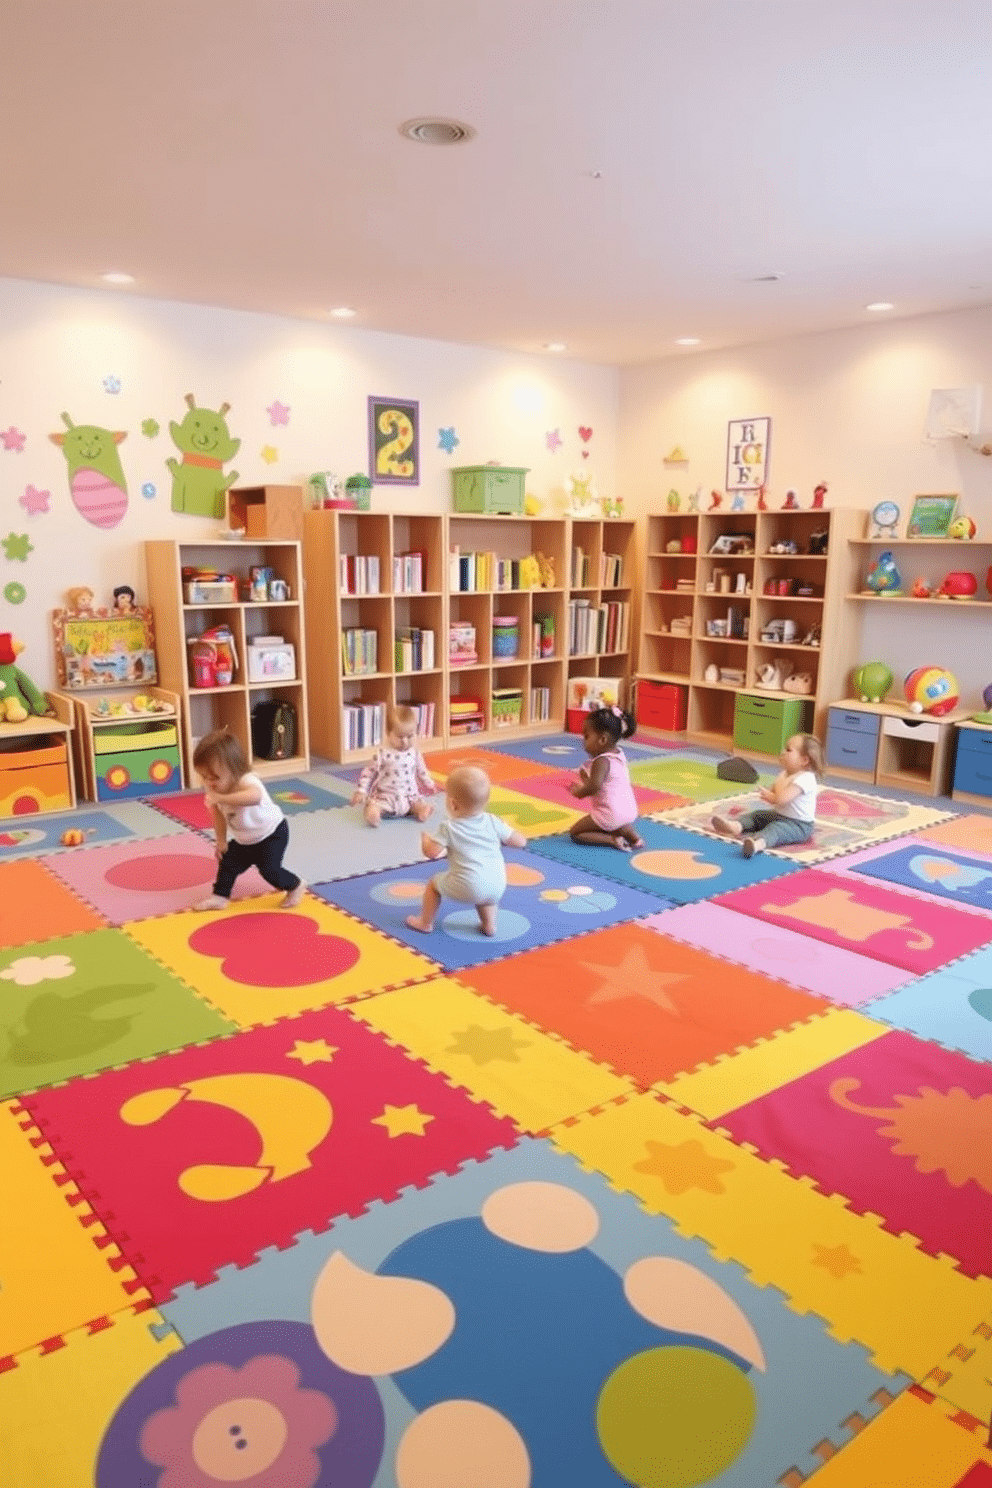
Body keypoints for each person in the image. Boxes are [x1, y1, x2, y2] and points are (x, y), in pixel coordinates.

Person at [405, 764, 526, 937]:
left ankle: (425, 922)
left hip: (468, 886)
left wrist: (425, 839)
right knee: (485, 893)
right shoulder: (493, 821)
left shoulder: (449, 827)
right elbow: (520, 842)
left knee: (433, 884)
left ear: (453, 804)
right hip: (497, 886)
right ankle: (489, 925)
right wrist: (503, 838)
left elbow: (431, 853)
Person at [191, 728, 306, 909]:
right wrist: (220, 840)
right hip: (245, 840)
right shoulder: (213, 788)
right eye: (204, 777)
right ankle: (220, 897)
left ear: (234, 770)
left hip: (272, 834)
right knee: (227, 862)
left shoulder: (246, 780)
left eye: (214, 777)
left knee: (269, 871)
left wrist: (221, 798)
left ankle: (295, 885)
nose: (208, 782)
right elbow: (218, 814)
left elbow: (254, 797)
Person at [711, 732, 823, 857]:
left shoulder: (805, 779)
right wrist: (767, 792)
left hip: (800, 826)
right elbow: (774, 792)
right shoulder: (785, 774)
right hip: (780, 815)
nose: (783, 752)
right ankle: (735, 826)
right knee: (757, 815)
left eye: (788, 750)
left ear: (804, 760)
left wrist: (773, 793)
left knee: (776, 829)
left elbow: (781, 799)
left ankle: (757, 844)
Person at [568, 704, 644, 850]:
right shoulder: (618, 755)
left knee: (576, 832)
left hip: (610, 814)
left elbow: (594, 787)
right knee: (616, 823)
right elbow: (605, 784)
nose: (583, 740)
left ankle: (612, 840)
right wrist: (586, 779)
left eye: (586, 736)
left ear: (602, 740)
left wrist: (579, 792)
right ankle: (635, 838)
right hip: (629, 812)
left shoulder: (600, 761)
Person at [351, 704, 437, 827]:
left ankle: (421, 810)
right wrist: (361, 791)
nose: (405, 741)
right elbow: (368, 773)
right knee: (374, 805)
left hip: (409, 797)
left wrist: (429, 784)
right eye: (400, 737)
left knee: (417, 804)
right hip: (386, 797)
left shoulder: (415, 752)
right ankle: (374, 814)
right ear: (388, 733)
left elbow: (422, 770)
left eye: (410, 736)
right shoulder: (382, 753)